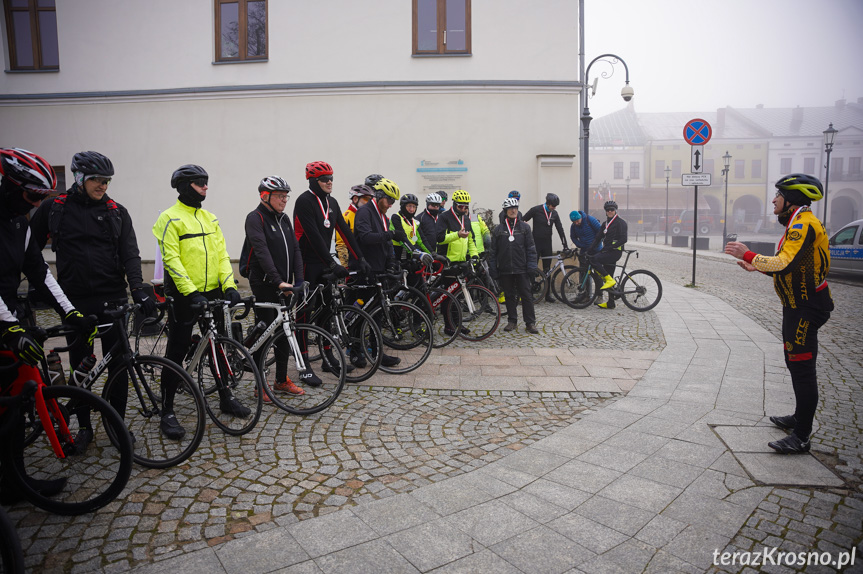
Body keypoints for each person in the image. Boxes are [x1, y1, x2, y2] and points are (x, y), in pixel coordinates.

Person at [29, 151, 154, 450]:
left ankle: (117, 425)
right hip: (74, 302)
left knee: (119, 365)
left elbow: (130, 254)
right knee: (79, 367)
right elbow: (29, 252)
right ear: (79, 178)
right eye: (97, 180)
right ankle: (83, 427)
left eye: (107, 181)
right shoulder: (54, 208)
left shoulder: (116, 211)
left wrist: (137, 289)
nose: (103, 186)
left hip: (112, 297)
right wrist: (39, 288)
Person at [0, 147, 96, 501]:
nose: (37, 204)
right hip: (4, 321)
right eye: (32, 196)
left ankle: (14, 481)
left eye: (43, 197)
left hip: (10, 317)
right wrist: (9, 327)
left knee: (16, 400)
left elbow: (40, 273)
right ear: (10, 186)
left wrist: (70, 312)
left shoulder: (19, 222)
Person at [725, 173, 833, 454]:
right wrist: (758, 267)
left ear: (791, 199)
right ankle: (799, 417)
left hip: (806, 307)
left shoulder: (803, 223)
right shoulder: (799, 220)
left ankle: (802, 435)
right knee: (793, 361)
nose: (773, 200)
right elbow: (793, 265)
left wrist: (748, 255)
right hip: (796, 304)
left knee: (802, 367)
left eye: (778, 195)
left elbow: (785, 263)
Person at [153, 164, 249, 440]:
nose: (206, 187)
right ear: (184, 187)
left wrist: (229, 285)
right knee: (176, 350)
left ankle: (224, 396)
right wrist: (190, 292)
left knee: (217, 345)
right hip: (185, 295)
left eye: (206, 182)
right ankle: (167, 410)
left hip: (213, 291)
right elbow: (172, 260)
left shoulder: (210, 218)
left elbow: (221, 255)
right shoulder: (170, 219)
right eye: (199, 182)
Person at [293, 161, 371, 379]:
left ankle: (328, 357)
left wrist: (360, 258)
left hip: (323, 261)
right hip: (306, 261)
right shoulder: (304, 201)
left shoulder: (333, 203)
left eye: (331, 178)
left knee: (328, 309)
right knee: (304, 313)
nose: (329, 182)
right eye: (324, 179)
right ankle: (304, 363)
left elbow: (345, 232)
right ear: (313, 181)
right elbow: (313, 236)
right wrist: (331, 263)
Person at [242, 176, 305, 397]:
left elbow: (296, 250)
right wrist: (278, 280)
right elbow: (261, 252)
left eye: (286, 196)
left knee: (285, 331)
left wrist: (299, 281)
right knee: (266, 333)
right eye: (280, 196)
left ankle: (281, 380)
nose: (284, 200)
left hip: (285, 285)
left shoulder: (284, 219)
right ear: (265, 196)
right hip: (265, 284)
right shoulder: (255, 218)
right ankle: (260, 384)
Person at [353, 178, 404, 367]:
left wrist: (392, 262)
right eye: (389, 200)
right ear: (380, 196)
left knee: (378, 314)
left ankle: (377, 353)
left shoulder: (384, 215)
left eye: (393, 202)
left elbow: (387, 243)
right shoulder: (365, 211)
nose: (391, 205)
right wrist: (390, 235)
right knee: (362, 313)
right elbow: (366, 237)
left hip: (379, 268)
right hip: (365, 268)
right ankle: (355, 351)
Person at [491, 197, 538, 334]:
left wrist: (531, 266)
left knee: (526, 296)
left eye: (515, 208)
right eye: (510, 209)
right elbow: (493, 251)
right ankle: (512, 321)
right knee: (509, 296)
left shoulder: (525, 228)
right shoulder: (498, 229)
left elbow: (531, 248)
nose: (513, 210)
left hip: (522, 267)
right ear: (505, 211)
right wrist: (493, 269)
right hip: (505, 269)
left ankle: (530, 323)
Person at [523, 193, 569, 302]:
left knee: (547, 270)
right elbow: (523, 220)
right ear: (547, 203)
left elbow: (560, 229)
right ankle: (530, 293)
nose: (554, 208)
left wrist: (565, 245)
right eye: (553, 205)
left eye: (555, 206)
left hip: (547, 244)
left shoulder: (554, 214)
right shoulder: (536, 210)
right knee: (532, 268)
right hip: (535, 244)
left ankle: (547, 295)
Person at [589, 200, 628, 310]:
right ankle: (611, 303)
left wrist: (612, 247)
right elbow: (598, 238)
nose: (610, 211)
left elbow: (624, 239)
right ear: (605, 211)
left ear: (615, 210)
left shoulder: (621, 223)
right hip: (607, 251)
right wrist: (590, 249)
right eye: (608, 210)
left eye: (612, 209)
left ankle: (610, 281)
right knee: (608, 274)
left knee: (595, 260)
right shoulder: (605, 224)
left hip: (615, 252)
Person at [336, 185, 373, 267]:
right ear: (355, 199)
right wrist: (346, 267)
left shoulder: (368, 215)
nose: (369, 202)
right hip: (354, 263)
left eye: (371, 200)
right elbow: (341, 245)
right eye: (366, 199)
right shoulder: (346, 217)